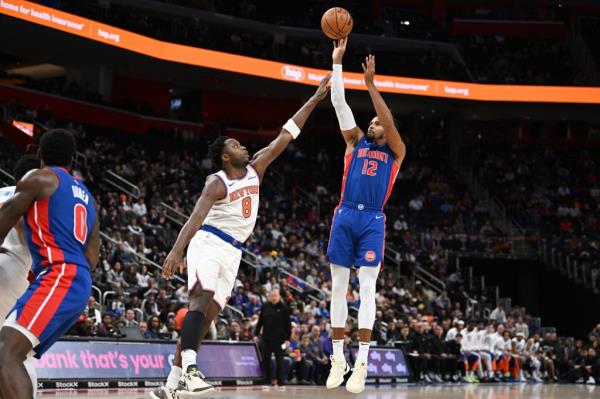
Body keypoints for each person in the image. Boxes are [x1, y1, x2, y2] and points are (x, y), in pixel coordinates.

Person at [151, 75, 331, 399]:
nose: (243, 146)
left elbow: (288, 133)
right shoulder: (216, 182)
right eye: (235, 145)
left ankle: (170, 386)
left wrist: (316, 98)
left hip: (234, 253)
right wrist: (176, 251)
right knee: (199, 300)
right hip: (208, 242)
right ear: (223, 156)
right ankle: (191, 370)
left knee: (206, 319)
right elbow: (195, 218)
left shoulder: (257, 167)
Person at [325, 37, 406, 394]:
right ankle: (338, 358)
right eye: (371, 123)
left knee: (368, 288)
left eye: (376, 123)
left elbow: (388, 121)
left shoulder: (397, 151)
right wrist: (338, 63)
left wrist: (371, 86)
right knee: (338, 288)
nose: (373, 126)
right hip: (344, 216)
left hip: (373, 220)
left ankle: (362, 362)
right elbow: (339, 103)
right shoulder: (354, 142)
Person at [0, 129, 100, 399]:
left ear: (40, 155)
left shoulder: (39, 178)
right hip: (78, 281)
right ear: (73, 159)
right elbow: (93, 256)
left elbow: (6, 217)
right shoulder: (88, 198)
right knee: (18, 354)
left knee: (6, 352)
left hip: (57, 274)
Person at [0, 154, 41, 326]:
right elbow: (31, 230)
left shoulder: (2, 192)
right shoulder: (35, 202)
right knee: (13, 345)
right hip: (12, 269)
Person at [255, 289, 291, 386]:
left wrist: (288, 339)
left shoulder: (284, 308)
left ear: (279, 297)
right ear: (270, 297)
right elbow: (260, 322)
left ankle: (280, 381)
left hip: (280, 340)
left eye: (275, 296)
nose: (274, 297)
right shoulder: (265, 306)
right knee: (265, 360)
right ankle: (266, 380)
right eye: (272, 296)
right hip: (266, 338)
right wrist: (256, 334)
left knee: (280, 361)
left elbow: (288, 325)